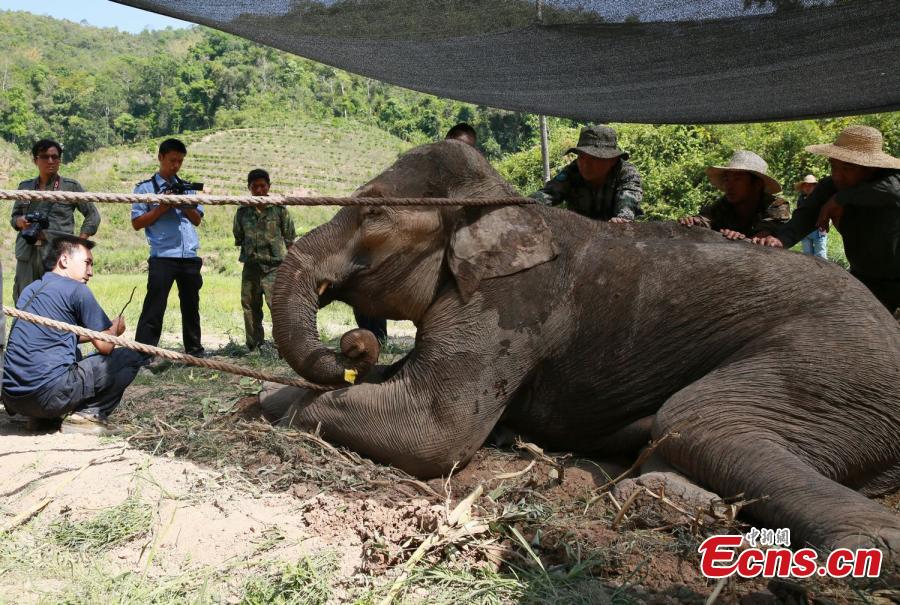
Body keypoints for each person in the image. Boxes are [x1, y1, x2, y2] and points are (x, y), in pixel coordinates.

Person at [1, 235, 147, 434]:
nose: (91, 272)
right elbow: (105, 346)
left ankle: (39, 419)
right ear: (64, 260)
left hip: (13, 398)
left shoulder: (30, 289)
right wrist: (115, 329)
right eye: (87, 263)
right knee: (131, 356)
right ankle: (86, 416)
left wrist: (97, 333)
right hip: (46, 397)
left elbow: (55, 335)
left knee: (73, 352)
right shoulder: (77, 290)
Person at [752, 125, 900, 314]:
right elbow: (806, 216)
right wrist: (781, 240)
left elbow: (894, 190)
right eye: (833, 166)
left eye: (846, 168)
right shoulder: (829, 187)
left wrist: (841, 199)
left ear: (871, 168)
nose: (837, 176)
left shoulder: (892, 181)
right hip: (867, 278)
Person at [131, 138, 205, 356]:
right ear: (160, 157)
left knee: (191, 306)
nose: (176, 165)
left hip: (189, 255)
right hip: (162, 256)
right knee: (154, 306)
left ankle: (194, 352)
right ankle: (143, 353)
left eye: (180, 161)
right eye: (172, 160)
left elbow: (197, 219)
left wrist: (182, 203)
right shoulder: (145, 188)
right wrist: (161, 208)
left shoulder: (187, 188)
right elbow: (137, 223)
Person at [10, 139, 101, 302]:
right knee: (25, 299)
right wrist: (20, 221)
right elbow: (14, 218)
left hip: (57, 255)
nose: (51, 161)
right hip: (28, 254)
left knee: (57, 301)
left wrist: (79, 243)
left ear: (60, 160)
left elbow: (93, 216)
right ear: (35, 160)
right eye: (45, 157)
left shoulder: (70, 187)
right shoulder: (25, 187)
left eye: (55, 157)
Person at [234, 169, 296, 351]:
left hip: (275, 268)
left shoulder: (279, 209)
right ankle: (254, 346)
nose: (259, 190)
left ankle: (283, 347)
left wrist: (292, 267)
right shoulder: (242, 211)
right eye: (255, 186)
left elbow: (290, 238)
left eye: (263, 186)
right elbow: (238, 236)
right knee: (250, 306)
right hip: (251, 266)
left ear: (269, 186)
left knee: (278, 307)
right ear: (249, 187)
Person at [530, 124, 643, 223]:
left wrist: (623, 218)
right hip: (580, 234)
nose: (585, 164)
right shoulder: (573, 171)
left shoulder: (625, 172)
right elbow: (549, 193)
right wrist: (526, 203)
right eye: (581, 157)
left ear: (612, 160)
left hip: (614, 234)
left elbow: (629, 198)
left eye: (594, 158)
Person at [680, 150, 790, 239]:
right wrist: (694, 222)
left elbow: (761, 239)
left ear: (757, 184)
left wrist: (738, 240)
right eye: (727, 179)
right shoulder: (723, 204)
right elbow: (706, 219)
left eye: (737, 179)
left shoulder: (777, 206)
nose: (729, 185)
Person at [794, 174, 827, 259]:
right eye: (805, 185)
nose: (807, 187)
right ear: (802, 187)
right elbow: (799, 213)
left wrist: (825, 223)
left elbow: (826, 212)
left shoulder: (820, 198)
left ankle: (822, 268)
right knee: (807, 255)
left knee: (820, 254)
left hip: (818, 229)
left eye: (810, 185)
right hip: (805, 230)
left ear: (815, 186)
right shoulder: (801, 199)